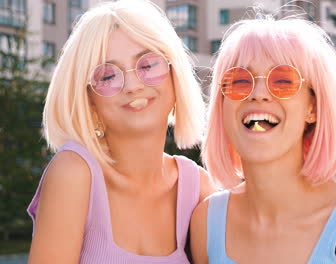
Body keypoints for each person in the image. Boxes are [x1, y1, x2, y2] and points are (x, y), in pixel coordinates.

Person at [190, 14, 336, 264]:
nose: (258, 94)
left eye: (283, 80)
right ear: (221, 105)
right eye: (239, 81)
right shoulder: (206, 222)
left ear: (312, 108)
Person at [27, 0, 216, 263]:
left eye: (148, 65)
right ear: (88, 99)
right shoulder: (74, 173)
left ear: (176, 75)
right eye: (107, 76)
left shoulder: (198, 187)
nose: (132, 85)